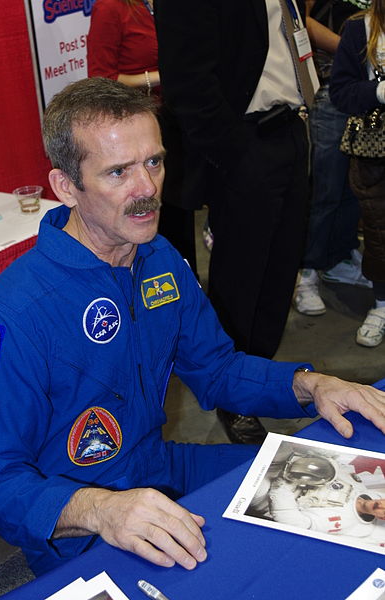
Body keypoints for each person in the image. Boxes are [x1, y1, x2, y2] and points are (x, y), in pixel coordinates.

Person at [0, 78, 385, 579]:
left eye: (153, 162)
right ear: (66, 186)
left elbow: (217, 369)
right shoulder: (15, 313)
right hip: (82, 525)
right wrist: (100, 509)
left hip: (160, 468)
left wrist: (310, 385)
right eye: (118, 172)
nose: (147, 190)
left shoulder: (157, 258)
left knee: (341, 517)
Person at [154, 0, 320, 444]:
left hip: (291, 129)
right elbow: (187, 83)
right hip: (245, 141)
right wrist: (235, 157)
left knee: (278, 272)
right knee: (240, 281)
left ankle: (259, 382)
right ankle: (232, 395)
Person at [86, 0, 198, 274]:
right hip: (136, 129)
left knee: (179, 211)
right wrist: (160, 78)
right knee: (155, 213)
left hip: (176, 122)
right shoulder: (112, 7)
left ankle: (184, 283)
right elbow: (101, 77)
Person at [293, 0, 372, 317]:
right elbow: (301, 19)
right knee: (326, 188)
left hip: (367, 90)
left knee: (357, 187)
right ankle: (307, 272)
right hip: (331, 86)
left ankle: (339, 257)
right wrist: (354, 44)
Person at [330, 0, 385, 347]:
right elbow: (340, 92)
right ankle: (381, 304)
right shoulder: (360, 28)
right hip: (375, 153)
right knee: (379, 230)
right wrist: (378, 90)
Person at [268, 455, 385, 544]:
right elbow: (332, 460)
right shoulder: (358, 485)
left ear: (381, 517)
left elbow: (296, 523)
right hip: (294, 464)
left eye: (384, 511)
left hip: (272, 492)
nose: (381, 506)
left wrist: (282, 487)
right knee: (280, 450)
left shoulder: (344, 523)